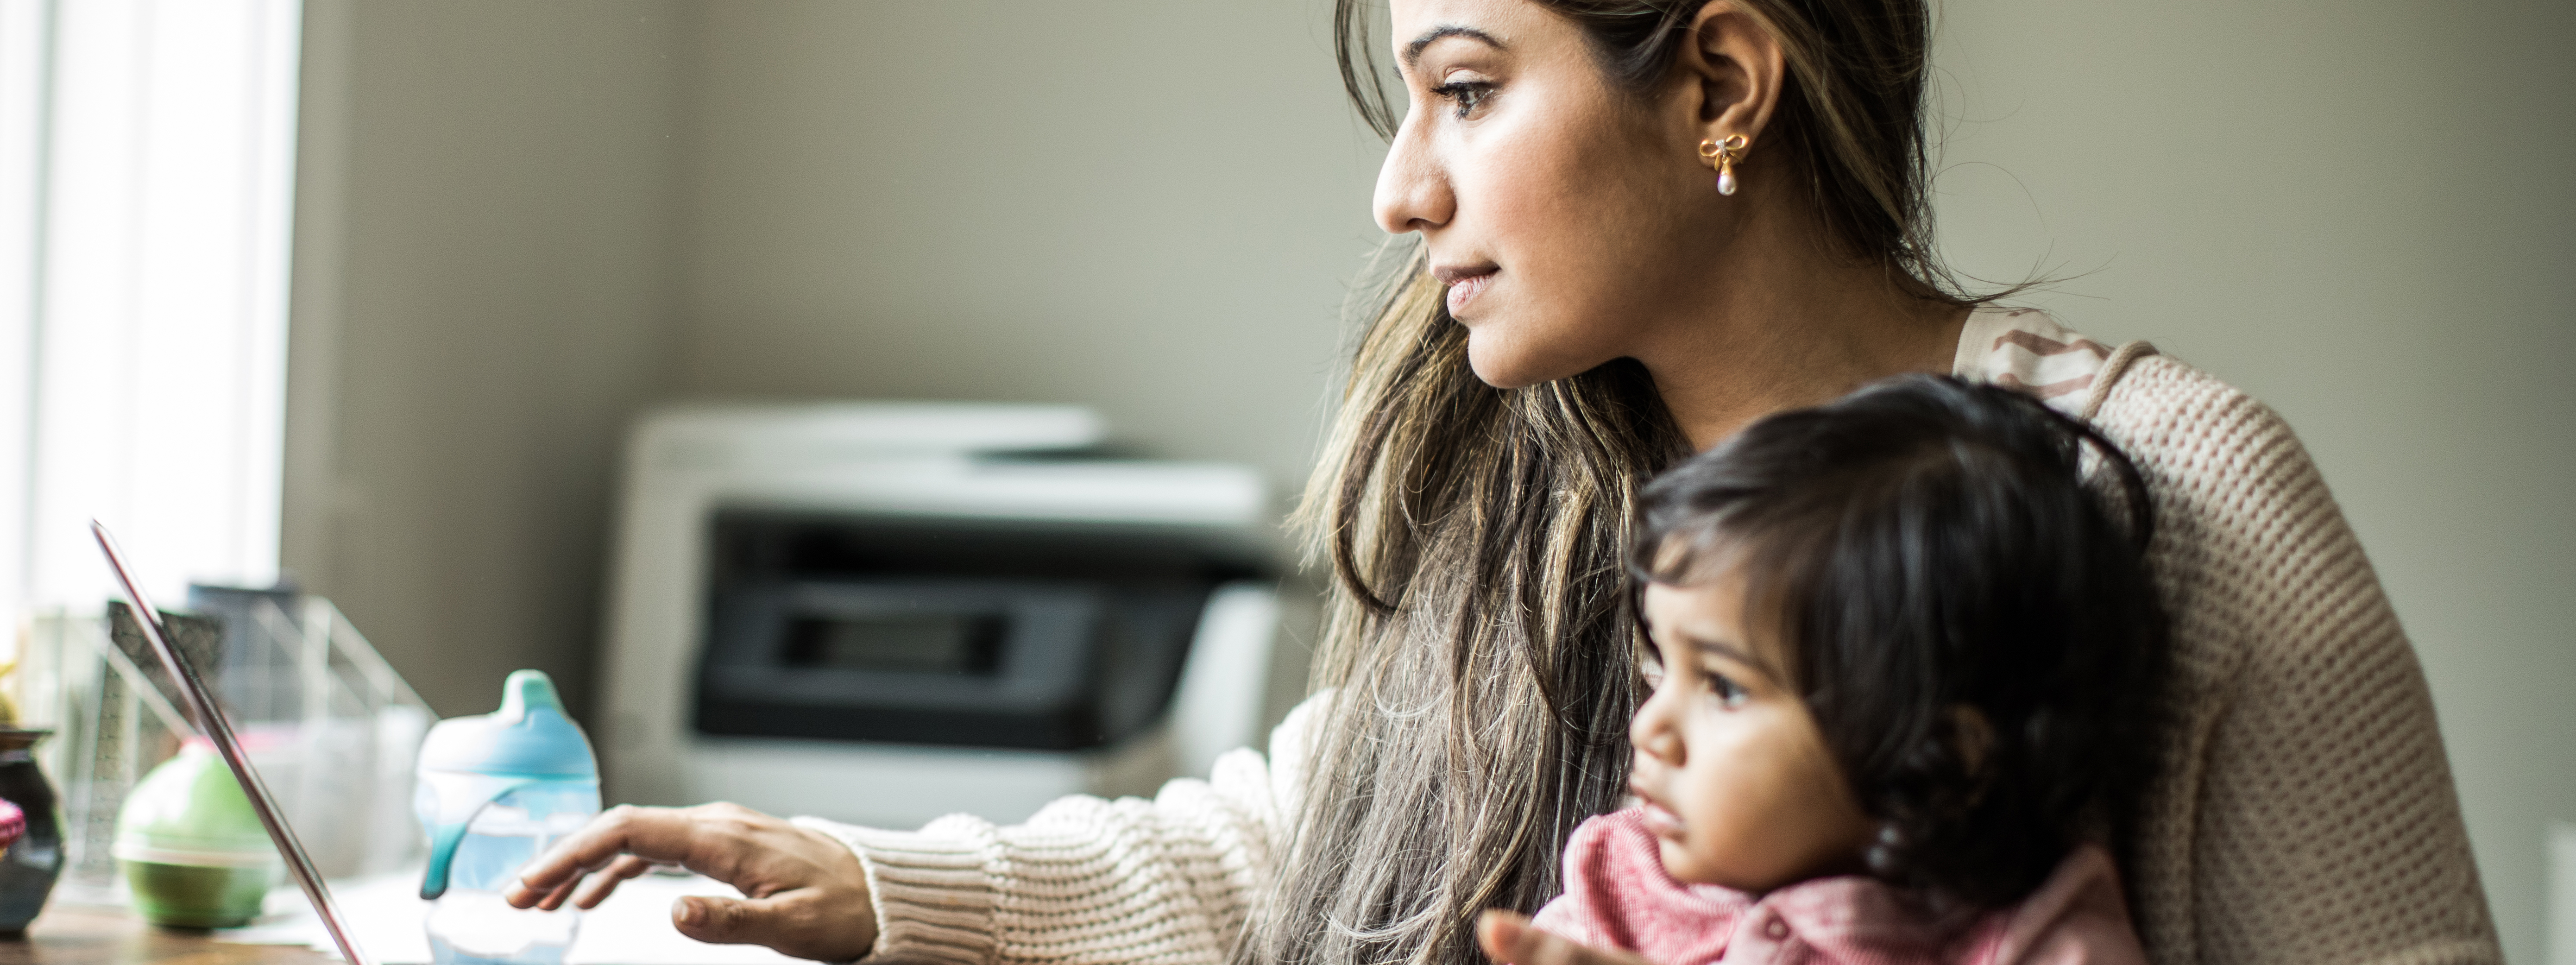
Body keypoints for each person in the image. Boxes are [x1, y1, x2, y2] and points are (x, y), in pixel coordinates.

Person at [505, 2, 2499, 964]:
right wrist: (861, 880)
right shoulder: (1535, 473)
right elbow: (1291, 852)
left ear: (1717, 85)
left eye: (1463, 89)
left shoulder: (2173, 494)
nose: (1400, 191)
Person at [1507, 375, 2161, 965]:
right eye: (1664, 669)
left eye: (1724, 686)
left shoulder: (2036, 944)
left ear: (1941, 758)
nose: (1649, 727)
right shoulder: (1621, 887)